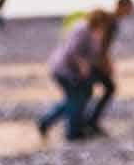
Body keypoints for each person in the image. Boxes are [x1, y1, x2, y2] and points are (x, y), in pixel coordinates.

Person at [37, 10, 109, 143]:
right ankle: (71, 132)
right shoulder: (82, 29)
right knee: (76, 99)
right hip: (64, 70)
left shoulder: (94, 31)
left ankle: (47, 122)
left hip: (73, 72)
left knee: (78, 98)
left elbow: (94, 53)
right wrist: (83, 65)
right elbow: (72, 50)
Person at [83, 0, 134, 134]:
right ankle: (89, 122)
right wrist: (106, 65)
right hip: (92, 62)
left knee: (87, 92)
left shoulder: (112, 20)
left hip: (92, 61)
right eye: (130, 7)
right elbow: (101, 46)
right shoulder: (111, 21)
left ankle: (89, 122)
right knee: (88, 92)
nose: (132, 11)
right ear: (121, 6)